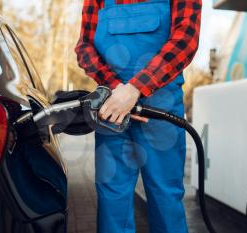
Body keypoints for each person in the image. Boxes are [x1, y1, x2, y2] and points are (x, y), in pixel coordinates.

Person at [75, 0, 202, 232]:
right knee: (112, 200)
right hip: (112, 110)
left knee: (165, 198)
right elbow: (84, 46)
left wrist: (134, 89)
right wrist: (116, 89)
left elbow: (186, 38)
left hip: (161, 111)